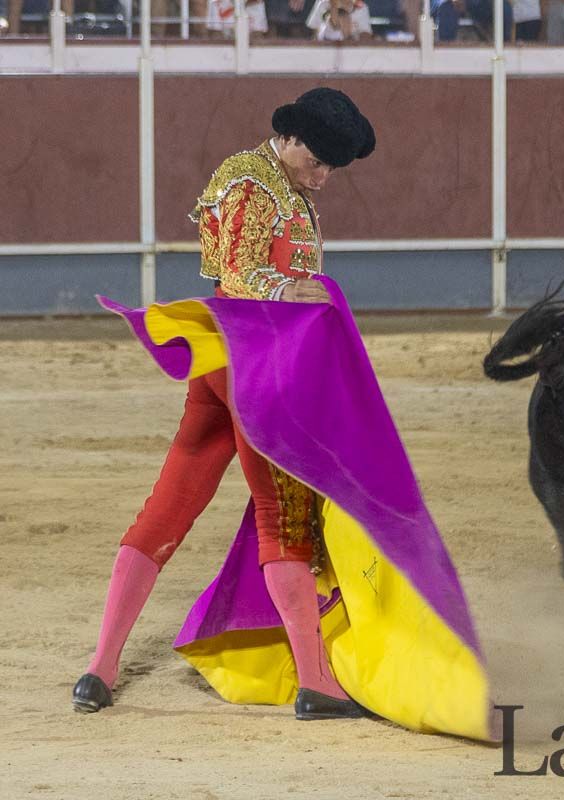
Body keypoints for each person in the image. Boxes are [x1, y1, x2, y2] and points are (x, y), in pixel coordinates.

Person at [71, 87, 377, 721]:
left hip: (223, 364)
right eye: (318, 162)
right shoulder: (249, 181)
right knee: (283, 515)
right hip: (252, 369)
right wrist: (297, 291)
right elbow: (238, 276)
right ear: (290, 139)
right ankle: (317, 682)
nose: (323, 179)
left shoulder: (280, 185)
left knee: (171, 503)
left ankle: (100, 667)